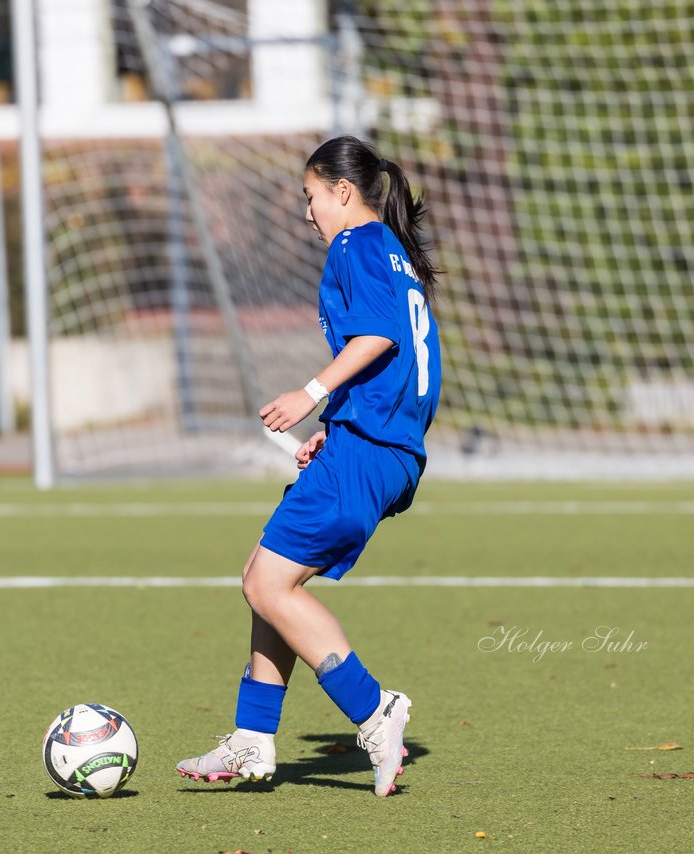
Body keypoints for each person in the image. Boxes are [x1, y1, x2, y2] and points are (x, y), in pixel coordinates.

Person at [175, 137, 441, 797]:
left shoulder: (355, 245)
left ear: (342, 192)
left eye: (311, 197)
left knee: (269, 585)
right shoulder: (393, 254)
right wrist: (337, 430)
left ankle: (374, 711)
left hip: (369, 449)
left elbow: (378, 335)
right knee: (263, 578)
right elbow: (403, 367)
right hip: (380, 448)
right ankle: (252, 740)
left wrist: (312, 394)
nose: (307, 213)